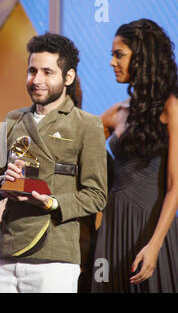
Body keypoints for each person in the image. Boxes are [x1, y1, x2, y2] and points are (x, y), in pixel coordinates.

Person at [0, 33, 107, 293]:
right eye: (32, 71)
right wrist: (4, 182)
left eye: (47, 72)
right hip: (8, 253)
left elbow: (96, 195)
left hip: (56, 256)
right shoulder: (13, 119)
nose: (37, 80)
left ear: (68, 77)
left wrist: (52, 202)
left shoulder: (86, 124)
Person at [91, 19, 178, 292]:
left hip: (151, 228)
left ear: (143, 58)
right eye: (111, 55)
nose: (112, 62)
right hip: (112, 224)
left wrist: (154, 245)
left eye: (119, 55)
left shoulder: (171, 106)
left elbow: (175, 186)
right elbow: (77, 148)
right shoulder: (116, 112)